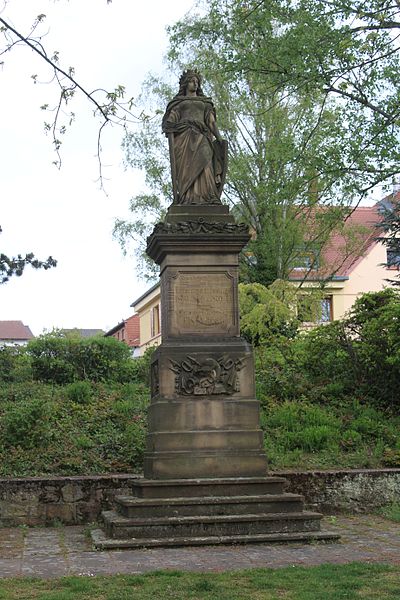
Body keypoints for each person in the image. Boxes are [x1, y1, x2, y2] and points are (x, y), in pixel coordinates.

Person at [162, 70, 227, 205]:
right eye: (192, 81)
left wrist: (219, 139)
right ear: (185, 84)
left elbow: (211, 122)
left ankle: (208, 196)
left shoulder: (205, 102)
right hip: (184, 138)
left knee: (206, 161)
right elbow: (173, 117)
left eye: (197, 82)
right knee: (187, 167)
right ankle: (188, 198)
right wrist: (170, 124)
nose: (195, 84)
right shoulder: (179, 103)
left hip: (202, 136)